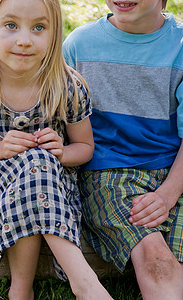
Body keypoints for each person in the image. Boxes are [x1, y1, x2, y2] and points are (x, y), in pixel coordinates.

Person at [0, 0, 112, 299]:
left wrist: (64, 153)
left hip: (54, 190)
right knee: (34, 165)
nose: (24, 40)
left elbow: (85, 148)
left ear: (54, 34)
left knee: (38, 162)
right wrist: (1, 149)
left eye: (38, 27)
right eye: (11, 25)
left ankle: (21, 292)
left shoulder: (66, 86)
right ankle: (86, 285)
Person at [63, 0, 183, 299]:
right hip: (110, 173)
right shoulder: (79, 44)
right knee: (158, 262)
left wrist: (168, 194)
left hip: (175, 169)